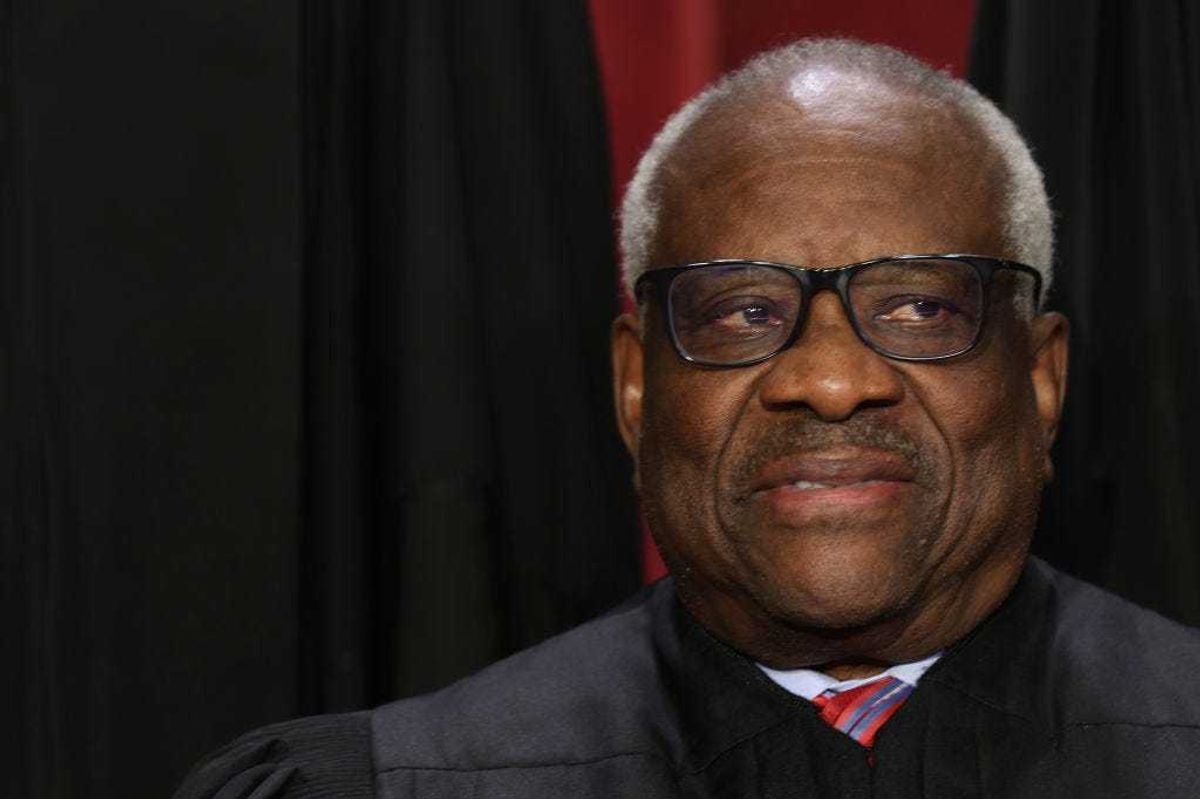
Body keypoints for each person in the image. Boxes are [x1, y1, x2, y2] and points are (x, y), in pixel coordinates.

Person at [175, 38, 1200, 798]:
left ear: (1041, 379)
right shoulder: (400, 784)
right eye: (743, 311)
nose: (832, 380)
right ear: (635, 390)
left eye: (923, 307)